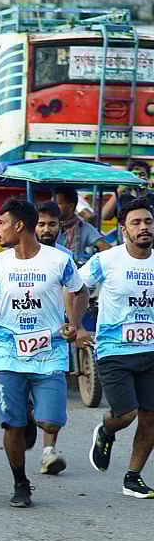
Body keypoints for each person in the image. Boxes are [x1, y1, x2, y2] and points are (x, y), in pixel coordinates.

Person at [0, 197, 88, 507]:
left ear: (19, 226)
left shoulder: (58, 260)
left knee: (51, 421)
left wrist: (75, 323)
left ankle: (31, 416)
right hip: (8, 350)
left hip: (49, 351)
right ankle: (21, 483)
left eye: (1, 223)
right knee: (11, 424)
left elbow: (80, 290)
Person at [85, 199, 154, 498]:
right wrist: (74, 321)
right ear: (123, 229)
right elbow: (74, 286)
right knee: (126, 414)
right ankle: (107, 430)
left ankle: (133, 477)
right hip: (115, 350)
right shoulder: (107, 260)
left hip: (151, 351)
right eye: (136, 223)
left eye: (148, 222)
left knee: (151, 417)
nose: (144, 228)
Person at [53, 184, 110, 263]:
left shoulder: (84, 227)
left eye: (58, 203)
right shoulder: (49, 225)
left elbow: (106, 248)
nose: (53, 206)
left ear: (70, 206)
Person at [100, 158, 154, 223]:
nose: (137, 178)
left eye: (142, 174)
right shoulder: (121, 197)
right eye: (134, 175)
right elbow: (105, 216)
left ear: (148, 177)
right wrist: (119, 190)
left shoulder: (152, 198)